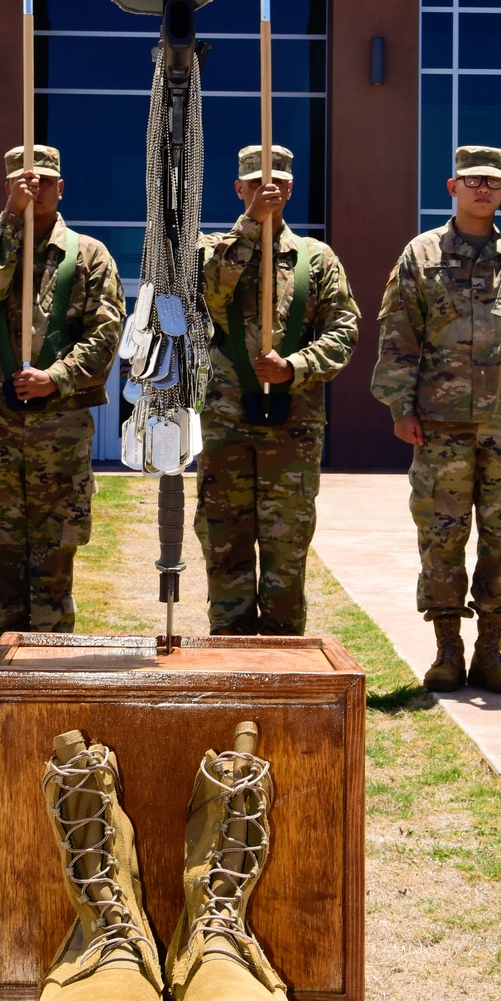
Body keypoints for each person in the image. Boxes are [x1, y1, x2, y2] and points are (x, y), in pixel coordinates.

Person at [371, 144, 501, 695]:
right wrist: (399, 407)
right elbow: (397, 334)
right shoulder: (422, 254)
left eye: (493, 182)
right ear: (452, 187)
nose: (483, 189)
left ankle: (491, 650)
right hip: (440, 426)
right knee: (441, 537)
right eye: (472, 180)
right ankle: (446, 651)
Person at [0, 144, 125, 642]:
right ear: (7, 188)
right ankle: (2, 648)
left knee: (55, 536)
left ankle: (52, 648)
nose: (37, 190)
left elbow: (107, 331)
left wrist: (57, 376)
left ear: (62, 187)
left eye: (46, 182)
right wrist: (12, 219)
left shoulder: (89, 253)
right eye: (24, 183)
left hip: (60, 419)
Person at [195, 144, 360, 635]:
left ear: (291, 188)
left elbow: (344, 328)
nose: (269, 189)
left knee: (286, 545)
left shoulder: (316, 258)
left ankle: (283, 652)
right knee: (225, 540)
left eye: (279, 182)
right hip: (227, 421)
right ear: (239, 188)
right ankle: (228, 648)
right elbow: (210, 290)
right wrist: (250, 224)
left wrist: (296, 365)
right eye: (255, 182)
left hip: (293, 425)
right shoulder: (211, 248)